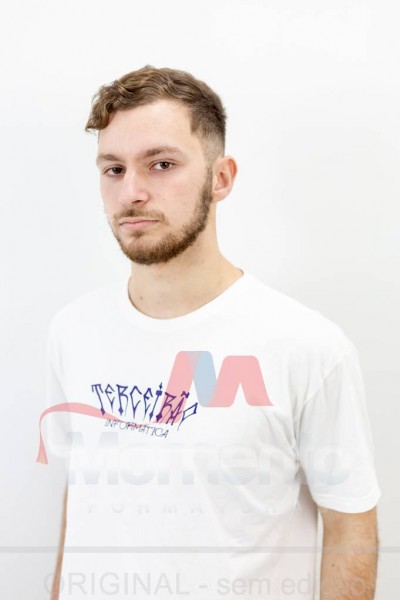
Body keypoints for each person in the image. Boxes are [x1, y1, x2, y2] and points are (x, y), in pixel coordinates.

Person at [38, 66, 381, 600]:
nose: (131, 192)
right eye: (113, 169)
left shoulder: (305, 346)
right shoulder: (73, 330)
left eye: (161, 164)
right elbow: (81, 501)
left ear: (220, 178)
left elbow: (350, 524)